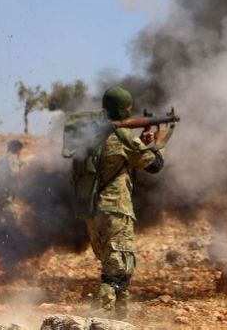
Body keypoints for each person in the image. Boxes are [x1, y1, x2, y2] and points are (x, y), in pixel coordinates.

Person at [86, 86, 168, 318]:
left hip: (93, 212)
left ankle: (120, 321)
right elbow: (154, 165)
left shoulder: (93, 135)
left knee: (121, 268)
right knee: (116, 272)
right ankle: (98, 319)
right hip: (115, 212)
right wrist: (158, 143)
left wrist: (140, 142)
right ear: (124, 109)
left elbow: (117, 160)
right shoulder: (121, 136)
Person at [0, 140, 23, 227]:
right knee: (12, 222)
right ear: (16, 149)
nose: (20, 153)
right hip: (3, 196)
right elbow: (14, 174)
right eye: (20, 150)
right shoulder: (12, 158)